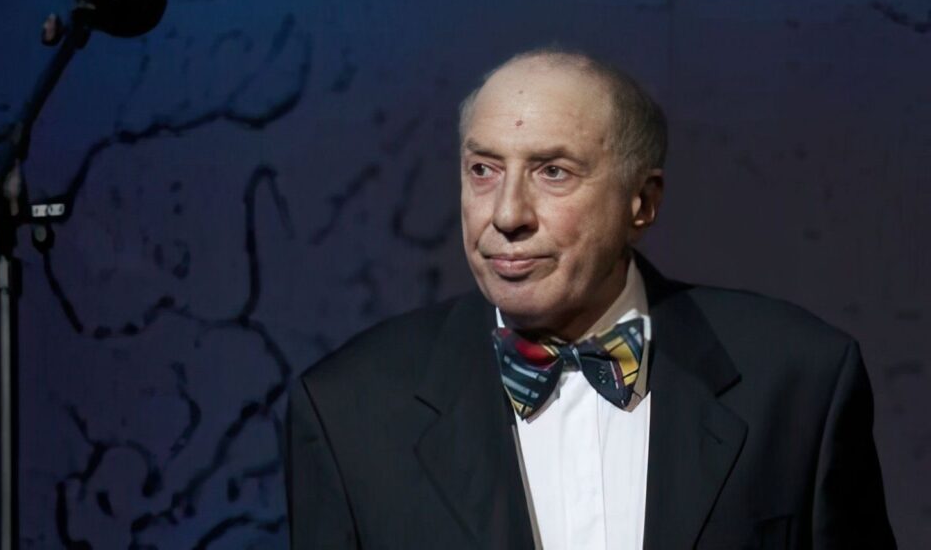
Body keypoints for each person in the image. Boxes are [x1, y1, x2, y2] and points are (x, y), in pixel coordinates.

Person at [284, 48, 896, 549]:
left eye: (553, 171)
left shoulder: (799, 380)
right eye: (483, 170)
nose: (507, 214)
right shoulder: (347, 411)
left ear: (642, 202)